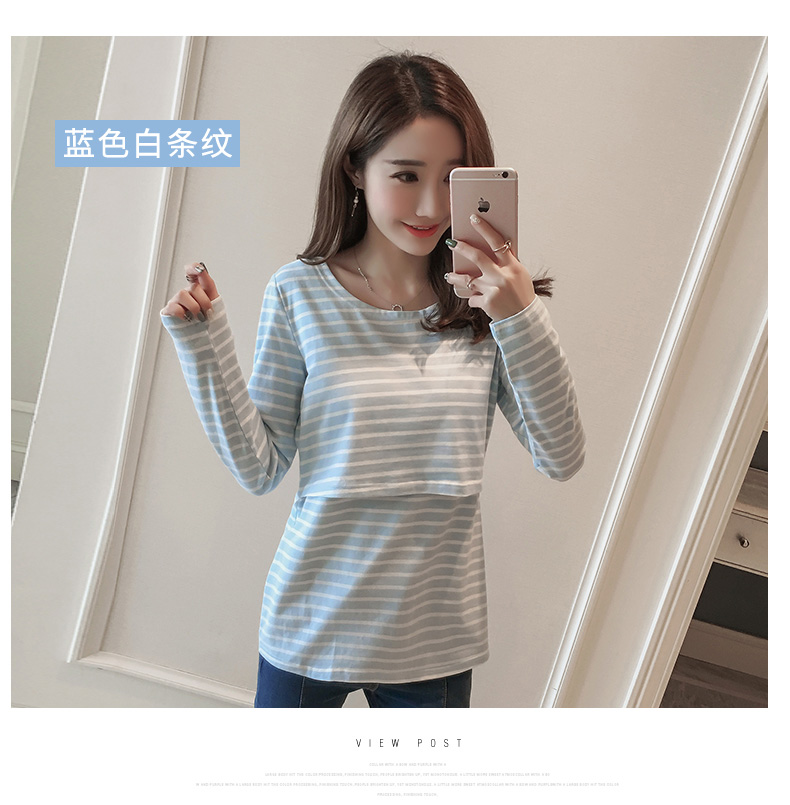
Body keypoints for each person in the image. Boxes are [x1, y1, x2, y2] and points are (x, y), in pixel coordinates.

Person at [161, 52, 585, 708]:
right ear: (355, 168)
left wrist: (520, 314)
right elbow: (260, 467)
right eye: (406, 175)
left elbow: (562, 457)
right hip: (310, 625)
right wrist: (203, 342)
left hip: (435, 641)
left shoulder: (487, 304)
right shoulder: (298, 293)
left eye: (450, 179)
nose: (430, 205)